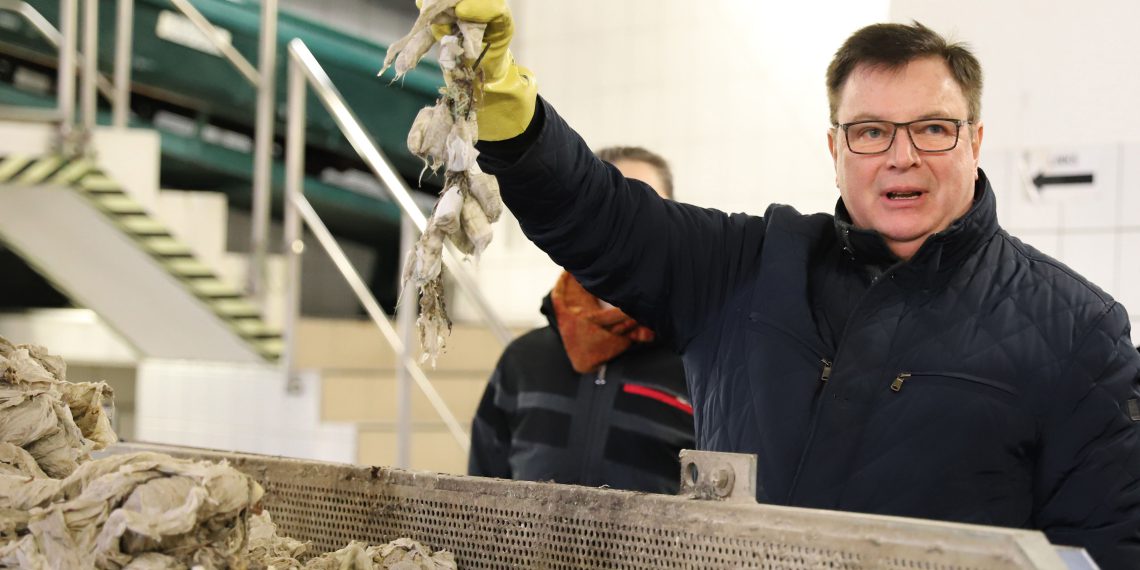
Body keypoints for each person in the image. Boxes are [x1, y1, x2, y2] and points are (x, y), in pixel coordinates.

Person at [425, 3, 1140, 567]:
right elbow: (602, 217)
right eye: (870, 132)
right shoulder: (747, 267)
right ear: (835, 149)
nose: (901, 157)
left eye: (932, 129)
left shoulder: (1079, 332)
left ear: (975, 141)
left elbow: (1106, 548)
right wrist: (505, 107)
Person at [468, 146, 695, 494]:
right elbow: (481, 499)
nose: (631, 223)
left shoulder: (701, 367)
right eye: (613, 206)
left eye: (648, 207)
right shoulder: (523, 361)